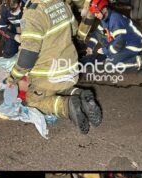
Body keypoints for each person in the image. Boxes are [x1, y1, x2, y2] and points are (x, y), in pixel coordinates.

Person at [9, 0, 102, 134]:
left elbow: (27, 57)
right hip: (70, 70)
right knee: (58, 88)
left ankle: (66, 107)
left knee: (32, 100)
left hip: (49, 75)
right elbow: (74, 30)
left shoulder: (33, 14)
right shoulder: (61, 4)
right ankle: (80, 95)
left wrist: (13, 77)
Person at [80, 0, 142, 73]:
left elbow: (119, 44)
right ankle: (127, 56)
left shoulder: (115, 20)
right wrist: (90, 47)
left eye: (96, 12)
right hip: (123, 43)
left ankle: (140, 61)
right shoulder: (105, 18)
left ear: (104, 9)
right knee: (104, 46)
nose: (95, 15)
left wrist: (105, 51)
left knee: (109, 65)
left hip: (132, 44)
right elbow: (97, 34)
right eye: (94, 13)